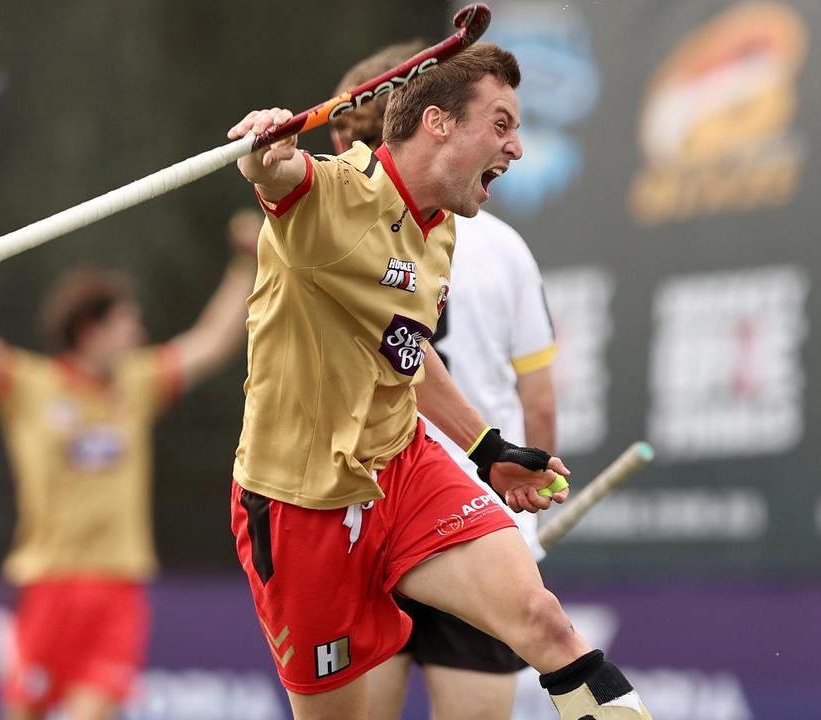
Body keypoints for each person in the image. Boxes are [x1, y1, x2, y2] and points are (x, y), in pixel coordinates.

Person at [226, 44, 651, 720]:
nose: (515, 149)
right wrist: (261, 144)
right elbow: (272, 172)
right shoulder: (337, 192)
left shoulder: (441, 229)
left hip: (404, 466)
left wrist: (488, 450)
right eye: (502, 124)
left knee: (545, 624)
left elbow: (405, 352)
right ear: (439, 122)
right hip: (300, 501)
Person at [0, 192, 258, 720]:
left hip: (118, 588)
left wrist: (247, 261)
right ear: (90, 330)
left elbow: (214, 340)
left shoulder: (139, 382)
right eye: (127, 323)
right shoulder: (27, 385)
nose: (139, 334)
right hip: (46, 585)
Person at [326, 41, 560, 720]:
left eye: (343, 130)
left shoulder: (337, 227)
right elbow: (538, 405)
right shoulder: (501, 243)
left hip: (369, 509)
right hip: (469, 515)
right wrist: (525, 495)